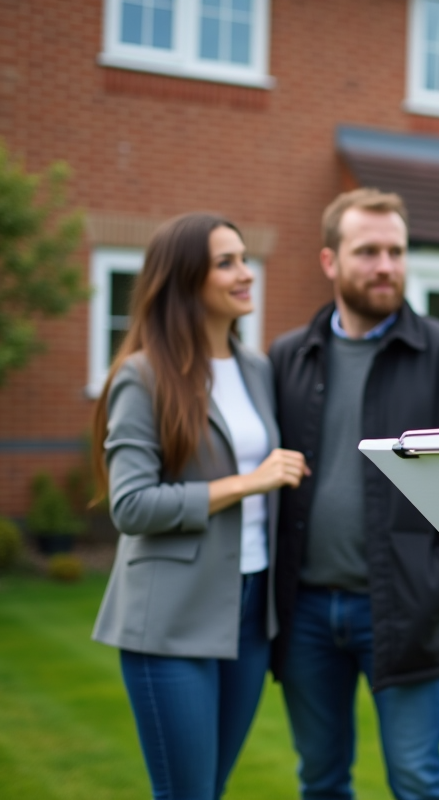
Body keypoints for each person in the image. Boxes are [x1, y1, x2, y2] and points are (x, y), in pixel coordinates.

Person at [269, 188, 439, 800]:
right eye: (367, 251)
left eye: (396, 251)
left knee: (417, 779)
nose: (385, 266)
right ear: (330, 261)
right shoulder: (288, 357)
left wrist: (437, 577)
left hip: (404, 608)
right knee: (319, 780)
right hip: (305, 611)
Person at [91, 212, 308, 800]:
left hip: (251, 609)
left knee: (211, 787)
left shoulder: (257, 368)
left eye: (244, 259)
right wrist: (246, 483)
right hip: (170, 616)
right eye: (226, 263)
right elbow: (131, 505)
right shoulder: (142, 376)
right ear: (185, 278)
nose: (246, 273)